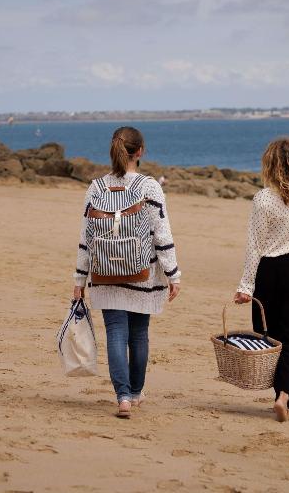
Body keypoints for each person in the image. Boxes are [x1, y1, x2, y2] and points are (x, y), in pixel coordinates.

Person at [73, 126, 181, 418]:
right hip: (142, 273)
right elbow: (161, 234)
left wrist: (79, 279)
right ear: (140, 151)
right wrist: (173, 274)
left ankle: (121, 396)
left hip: (105, 273)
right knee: (139, 335)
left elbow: (85, 238)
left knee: (116, 333)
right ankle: (134, 393)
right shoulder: (149, 187)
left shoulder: (96, 188)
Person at [234, 137, 289, 422]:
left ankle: (281, 397)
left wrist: (246, 286)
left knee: (271, 337)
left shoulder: (264, 198)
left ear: (271, 165)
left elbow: (255, 245)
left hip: (269, 272)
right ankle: (285, 397)